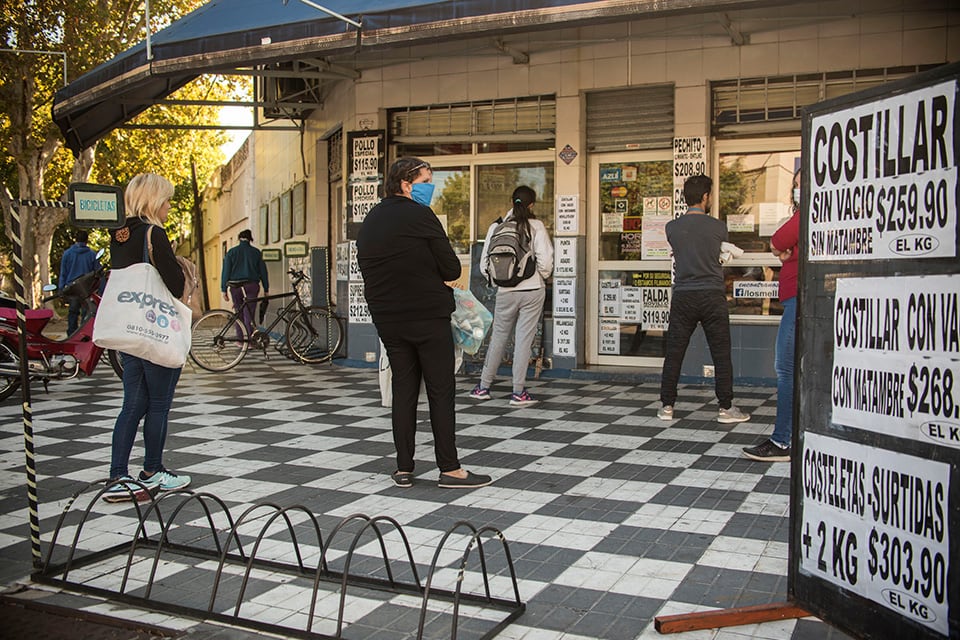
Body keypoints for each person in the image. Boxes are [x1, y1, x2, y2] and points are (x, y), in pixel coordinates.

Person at [357, 156, 492, 489]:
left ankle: (404, 467)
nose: (430, 187)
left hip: (388, 318)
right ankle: (450, 469)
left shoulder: (371, 220)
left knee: (403, 388)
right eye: (426, 180)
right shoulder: (421, 215)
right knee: (439, 391)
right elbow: (449, 268)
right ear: (406, 183)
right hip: (427, 316)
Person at [103, 173, 191, 502]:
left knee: (132, 404)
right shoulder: (155, 233)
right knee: (158, 405)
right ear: (154, 200)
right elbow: (175, 284)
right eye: (166, 199)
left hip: (129, 332)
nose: (169, 206)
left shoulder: (121, 235)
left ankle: (117, 476)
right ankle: (153, 470)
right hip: (155, 332)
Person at [658, 174, 751, 424]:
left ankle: (667, 406)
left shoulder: (671, 228)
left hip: (683, 295)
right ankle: (726, 408)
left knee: (674, 352)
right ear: (705, 197)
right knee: (721, 353)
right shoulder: (718, 226)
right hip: (712, 294)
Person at [470, 186, 554, 406]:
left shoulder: (496, 226)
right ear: (531, 205)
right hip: (532, 290)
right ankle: (518, 393)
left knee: (498, 338)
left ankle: (483, 387)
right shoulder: (535, 226)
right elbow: (546, 261)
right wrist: (539, 276)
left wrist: (502, 281)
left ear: (512, 202)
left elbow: (483, 265)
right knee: (524, 341)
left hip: (505, 292)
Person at [743, 169, 800, 462]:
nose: (798, 191)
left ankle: (782, 442)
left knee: (786, 369)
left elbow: (779, 240)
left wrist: (784, 249)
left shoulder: (808, 214)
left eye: (802, 185)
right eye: (796, 185)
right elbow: (781, 246)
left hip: (798, 301)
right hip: (797, 299)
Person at [221, 229, 269, 338]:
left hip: (236, 287)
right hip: (251, 286)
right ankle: (250, 339)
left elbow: (226, 271)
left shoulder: (232, 252)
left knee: (239, 312)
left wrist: (223, 289)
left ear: (239, 238)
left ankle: (240, 339)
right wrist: (266, 289)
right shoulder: (256, 252)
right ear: (250, 239)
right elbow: (263, 272)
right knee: (249, 313)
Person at [59, 229, 100, 334]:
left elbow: (63, 272)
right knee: (86, 313)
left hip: (72, 287)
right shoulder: (92, 254)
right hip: (87, 288)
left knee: (73, 312)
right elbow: (97, 272)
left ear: (75, 239)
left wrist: (61, 288)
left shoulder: (67, 254)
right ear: (87, 240)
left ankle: (71, 333)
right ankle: (83, 333)